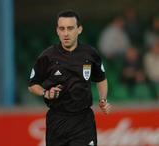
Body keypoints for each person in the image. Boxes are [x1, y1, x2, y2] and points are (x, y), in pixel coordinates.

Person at [28, 10, 111, 146]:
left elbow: (101, 79)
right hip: (57, 121)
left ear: (79, 29)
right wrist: (45, 93)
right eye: (62, 29)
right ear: (57, 31)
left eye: (70, 28)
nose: (66, 33)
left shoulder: (90, 54)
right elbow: (32, 85)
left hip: (83, 121)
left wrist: (103, 99)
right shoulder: (47, 56)